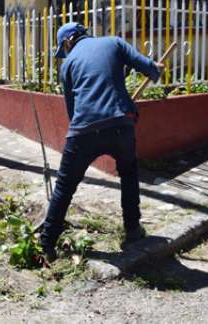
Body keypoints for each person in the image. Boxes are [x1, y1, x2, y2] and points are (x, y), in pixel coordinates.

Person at [39, 22, 163, 262]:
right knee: (128, 173)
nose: (64, 53)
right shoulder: (113, 43)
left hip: (83, 130)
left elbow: (72, 109)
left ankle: (46, 245)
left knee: (64, 187)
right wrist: (155, 68)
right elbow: (146, 66)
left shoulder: (68, 65)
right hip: (120, 125)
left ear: (67, 42)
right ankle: (133, 230)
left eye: (62, 49)